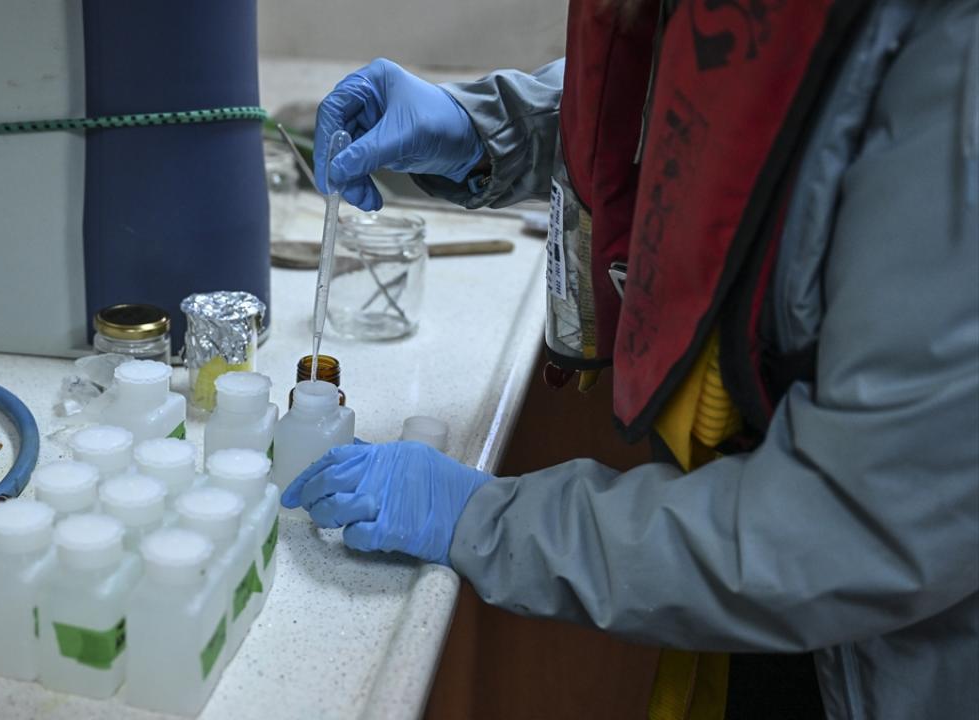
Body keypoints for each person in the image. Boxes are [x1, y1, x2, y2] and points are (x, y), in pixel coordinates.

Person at [282, 1, 979, 718]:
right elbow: (724, 94)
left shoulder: (958, 81)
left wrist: (482, 519)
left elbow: (847, 530)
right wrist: (487, 128)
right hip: (768, 593)